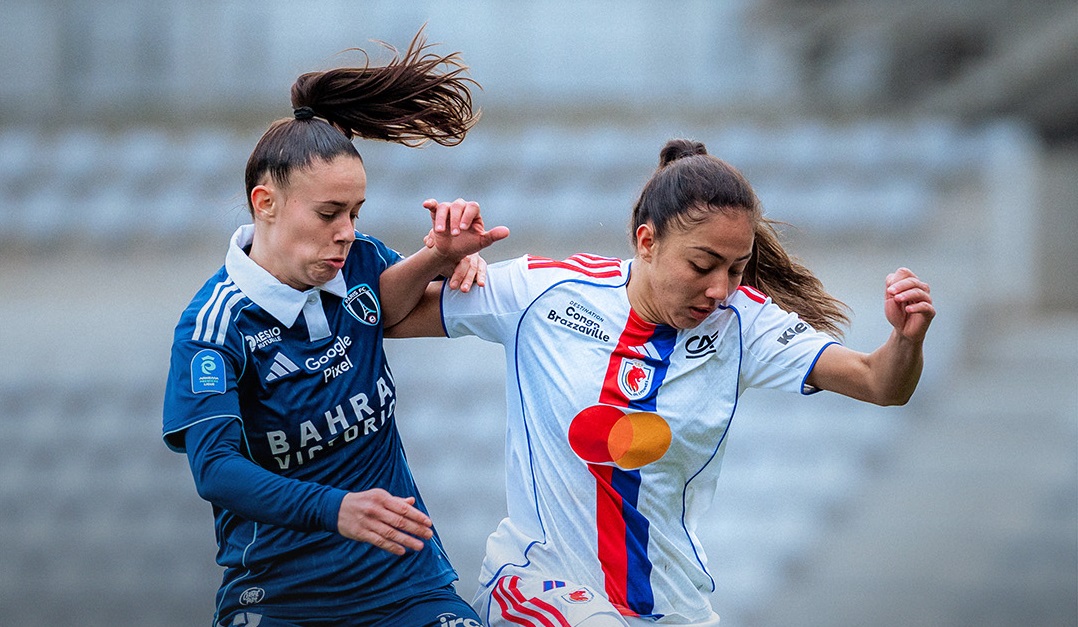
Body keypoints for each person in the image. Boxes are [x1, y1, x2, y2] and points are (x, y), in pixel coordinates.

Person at [388, 139, 935, 626]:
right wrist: (438, 256)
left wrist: (905, 339)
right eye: (703, 265)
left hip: (675, 606)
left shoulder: (745, 325)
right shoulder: (543, 293)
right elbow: (385, 316)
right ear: (646, 241)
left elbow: (879, 383)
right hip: (537, 582)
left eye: (737, 268)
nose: (721, 288)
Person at [162, 30, 508, 627]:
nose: (346, 230)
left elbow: (390, 304)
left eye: (355, 213)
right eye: (328, 214)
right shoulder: (215, 325)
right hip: (282, 597)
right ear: (265, 203)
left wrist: (447, 258)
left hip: (405, 584)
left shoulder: (360, 262)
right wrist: (336, 508)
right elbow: (215, 470)